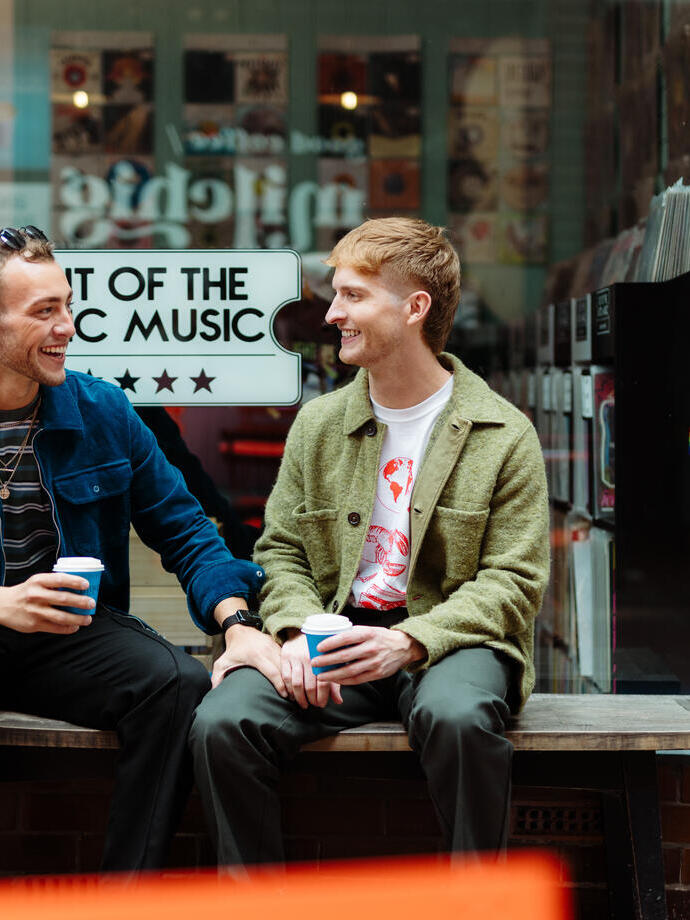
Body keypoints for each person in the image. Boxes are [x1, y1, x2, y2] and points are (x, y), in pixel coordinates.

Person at [190, 217, 550, 865]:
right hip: (335, 634)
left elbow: (514, 581)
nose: (332, 314)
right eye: (336, 294)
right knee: (223, 722)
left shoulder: (503, 432)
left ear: (415, 308)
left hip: (447, 640)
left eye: (353, 295)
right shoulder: (319, 424)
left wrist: (410, 641)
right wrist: (297, 630)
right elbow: (281, 551)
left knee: (460, 720)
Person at [0, 225, 277, 872]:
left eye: (67, 304)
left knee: (177, 684)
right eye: (45, 312)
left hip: (66, 640)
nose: (68, 325)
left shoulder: (101, 411)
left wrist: (236, 624)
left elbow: (184, 528)